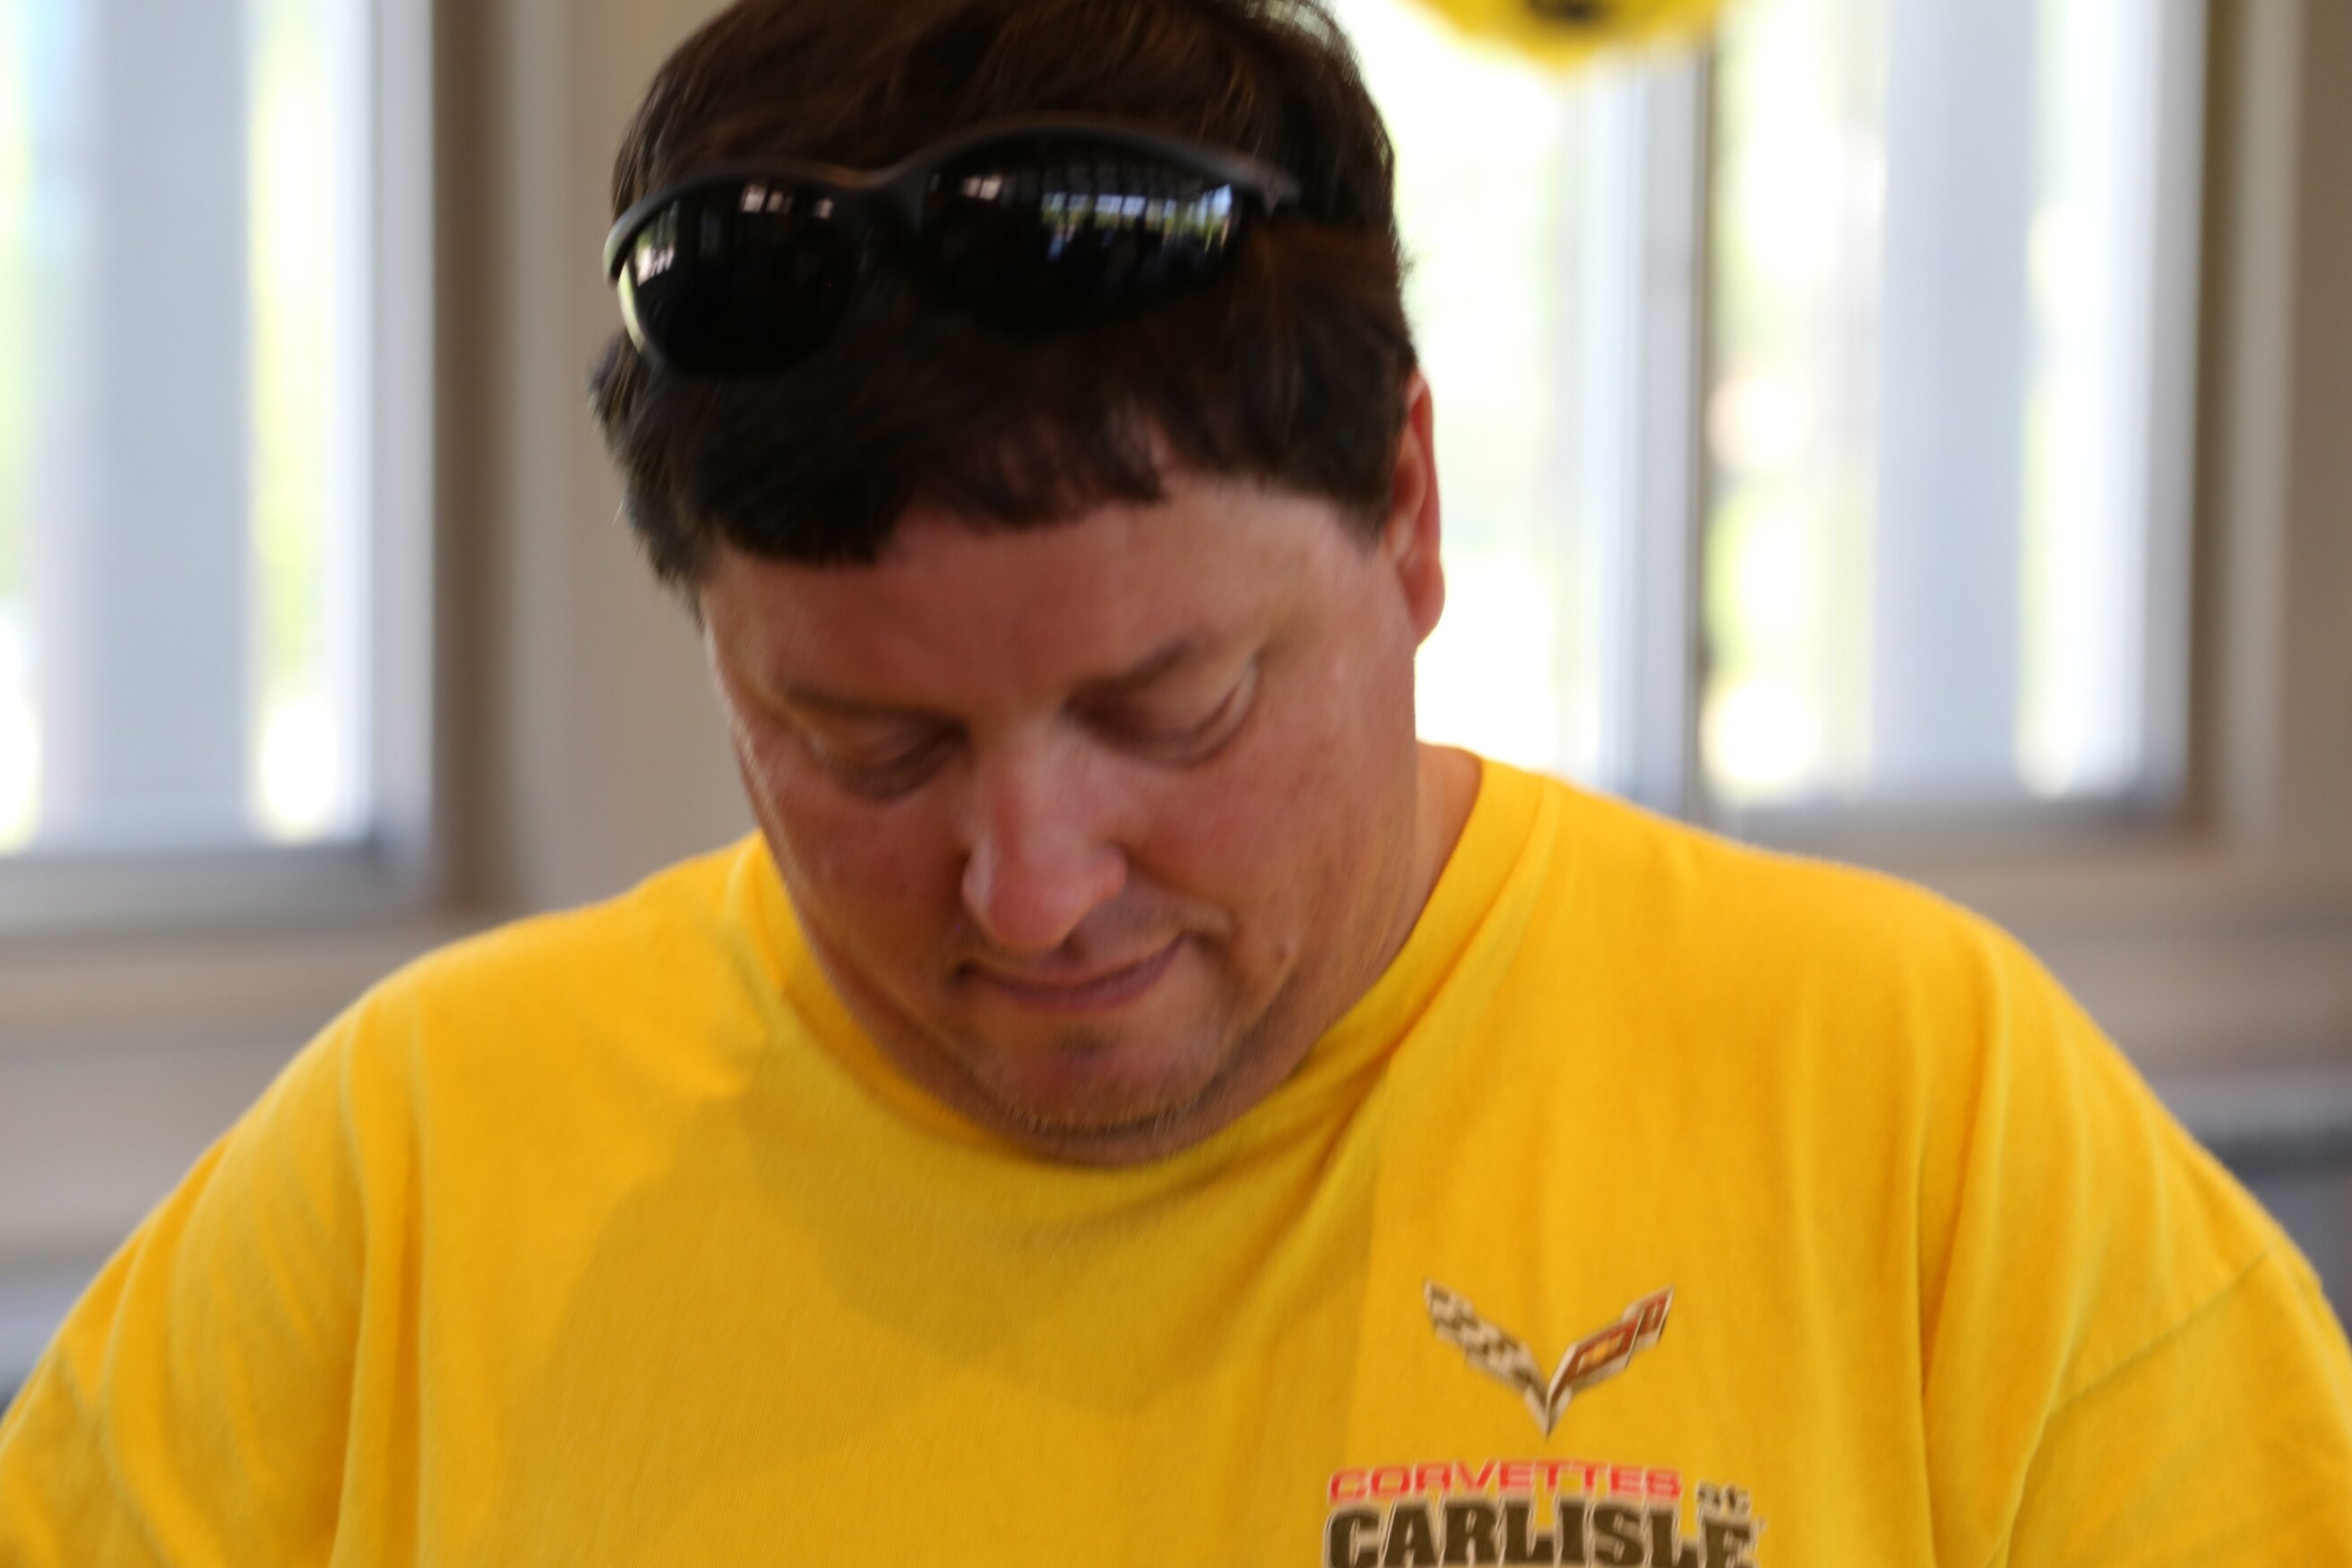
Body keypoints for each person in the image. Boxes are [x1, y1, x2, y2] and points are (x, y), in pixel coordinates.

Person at [4, 0, 2350, 1560]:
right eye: (866, 746)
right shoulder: (408, 1181)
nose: (1031, 890)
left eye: (1173, 712)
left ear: (1407, 509)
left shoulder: (1919, 1118)